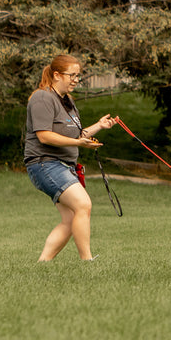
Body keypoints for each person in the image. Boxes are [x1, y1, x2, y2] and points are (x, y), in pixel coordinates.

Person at [24, 54, 117, 262]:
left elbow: (76, 135)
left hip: (62, 165)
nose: (76, 79)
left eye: (78, 75)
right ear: (57, 75)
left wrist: (99, 127)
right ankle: (87, 261)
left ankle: (42, 264)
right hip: (44, 163)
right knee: (83, 205)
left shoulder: (67, 101)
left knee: (71, 218)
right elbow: (44, 136)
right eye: (71, 75)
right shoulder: (42, 98)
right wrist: (77, 143)